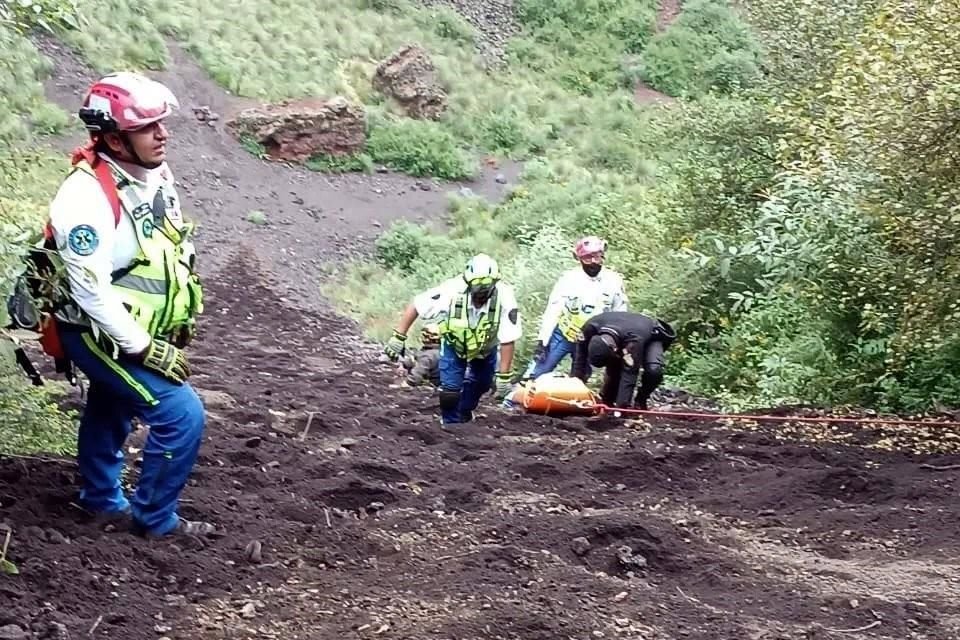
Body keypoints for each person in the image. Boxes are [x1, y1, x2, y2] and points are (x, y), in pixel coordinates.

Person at [37, 72, 211, 539]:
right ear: (113, 138)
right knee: (181, 415)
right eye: (148, 127)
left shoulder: (151, 173)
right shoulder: (84, 198)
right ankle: (155, 521)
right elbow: (90, 290)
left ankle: (99, 499)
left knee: (112, 405)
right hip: (91, 328)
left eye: (162, 123)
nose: (162, 134)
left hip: (130, 324)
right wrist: (143, 348)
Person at [383, 254, 522, 425]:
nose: (481, 294)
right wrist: (398, 337)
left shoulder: (505, 297)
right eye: (477, 288)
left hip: (485, 349)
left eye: (486, 288)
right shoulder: (452, 290)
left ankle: (464, 410)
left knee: (483, 384)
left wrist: (504, 376)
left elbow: (509, 337)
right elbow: (417, 305)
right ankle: (450, 425)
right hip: (454, 346)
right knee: (449, 392)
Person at [528, 236, 628, 380]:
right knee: (538, 371)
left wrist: (616, 341)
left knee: (580, 379)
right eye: (587, 258)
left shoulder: (613, 281)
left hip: (590, 339)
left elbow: (620, 313)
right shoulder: (568, 279)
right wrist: (543, 341)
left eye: (597, 257)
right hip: (563, 334)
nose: (593, 262)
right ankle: (512, 400)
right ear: (579, 259)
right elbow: (553, 309)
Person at [571, 311, 676, 410]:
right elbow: (579, 359)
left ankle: (640, 400)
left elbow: (630, 374)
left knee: (654, 371)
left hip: (649, 335)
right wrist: (574, 390)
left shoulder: (633, 341)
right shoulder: (588, 329)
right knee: (614, 370)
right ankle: (607, 399)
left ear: (615, 349)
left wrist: (621, 409)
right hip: (622, 333)